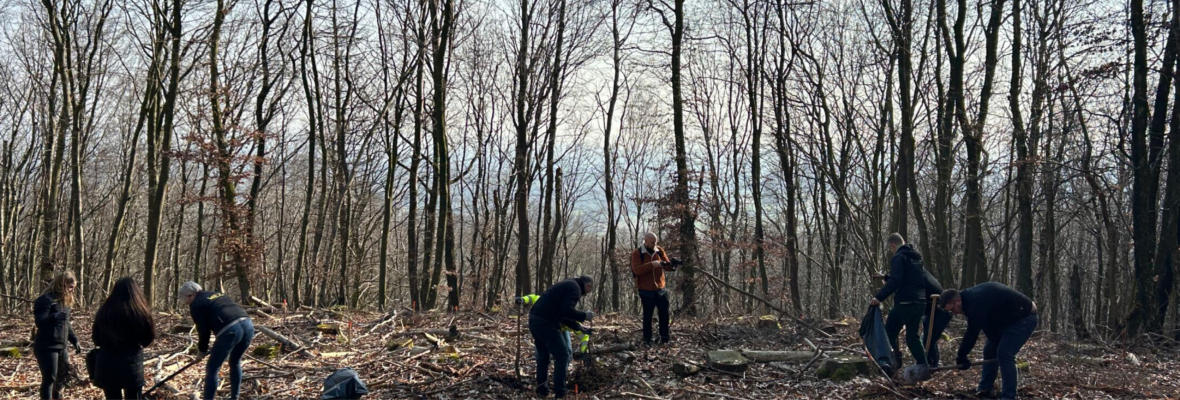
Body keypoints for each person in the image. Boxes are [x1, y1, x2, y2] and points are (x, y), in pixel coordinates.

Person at [941, 283, 1038, 400]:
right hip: (1005, 322)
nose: (954, 313)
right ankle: (984, 389)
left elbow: (972, 332)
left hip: (1024, 318)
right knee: (989, 351)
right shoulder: (968, 302)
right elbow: (986, 325)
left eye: (952, 310)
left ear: (957, 301)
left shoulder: (975, 302)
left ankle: (1008, 396)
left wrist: (961, 356)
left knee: (1004, 354)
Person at [179, 282, 255, 400]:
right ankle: (235, 397)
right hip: (248, 324)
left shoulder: (196, 304)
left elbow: (203, 330)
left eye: (184, 298)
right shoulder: (216, 294)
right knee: (235, 362)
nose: (186, 302)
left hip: (230, 330)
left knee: (213, 368)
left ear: (190, 295)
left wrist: (202, 351)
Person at [528, 275, 595, 398]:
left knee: (543, 357)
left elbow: (562, 315)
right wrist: (584, 315)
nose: (587, 293)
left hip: (534, 319)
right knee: (563, 356)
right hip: (547, 323)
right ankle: (561, 393)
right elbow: (567, 310)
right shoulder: (575, 288)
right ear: (588, 285)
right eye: (590, 290)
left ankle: (542, 391)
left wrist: (578, 327)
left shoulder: (568, 284)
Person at [869, 233, 926, 369]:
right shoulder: (916, 257)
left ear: (893, 245)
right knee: (913, 336)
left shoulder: (898, 257)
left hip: (905, 302)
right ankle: (923, 365)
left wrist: (878, 298)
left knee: (889, 333)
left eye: (891, 248)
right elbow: (908, 278)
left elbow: (896, 282)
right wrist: (885, 277)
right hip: (920, 302)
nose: (891, 251)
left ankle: (891, 364)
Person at [92, 277, 156, 399]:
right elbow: (148, 337)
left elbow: (96, 338)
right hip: (131, 362)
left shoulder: (104, 310)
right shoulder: (140, 311)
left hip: (107, 362)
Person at [873, 268, 952, 367]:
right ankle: (928, 364)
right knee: (926, 339)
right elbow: (900, 280)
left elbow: (899, 281)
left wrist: (880, 296)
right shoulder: (915, 272)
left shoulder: (917, 274)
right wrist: (885, 277)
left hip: (941, 311)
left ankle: (931, 366)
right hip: (930, 311)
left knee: (928, 340)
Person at [32, 270, 81, 400]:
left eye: (73, 288)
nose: (71, 291)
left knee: (63, 377)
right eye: (70, 287)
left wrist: (74, 340)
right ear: (62, 284)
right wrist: (53, 316)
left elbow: (66, 325)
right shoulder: (46, 300)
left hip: (62, 346)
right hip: (46, 347)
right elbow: (40, 322)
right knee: (50, 378)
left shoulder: (65, 302)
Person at [630, 232, 680, 345]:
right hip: (645, 289)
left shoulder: (659, 250)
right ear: (646, 241)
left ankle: (665, 338)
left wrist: (672, 265)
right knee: (648, 316)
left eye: (656, 242)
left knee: (664, 314)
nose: (654, 244)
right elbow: (637, 270)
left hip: (661, 288)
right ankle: (647, 340)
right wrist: (652, 264)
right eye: (652, 242)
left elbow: (666, 266)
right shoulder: (637, 253)